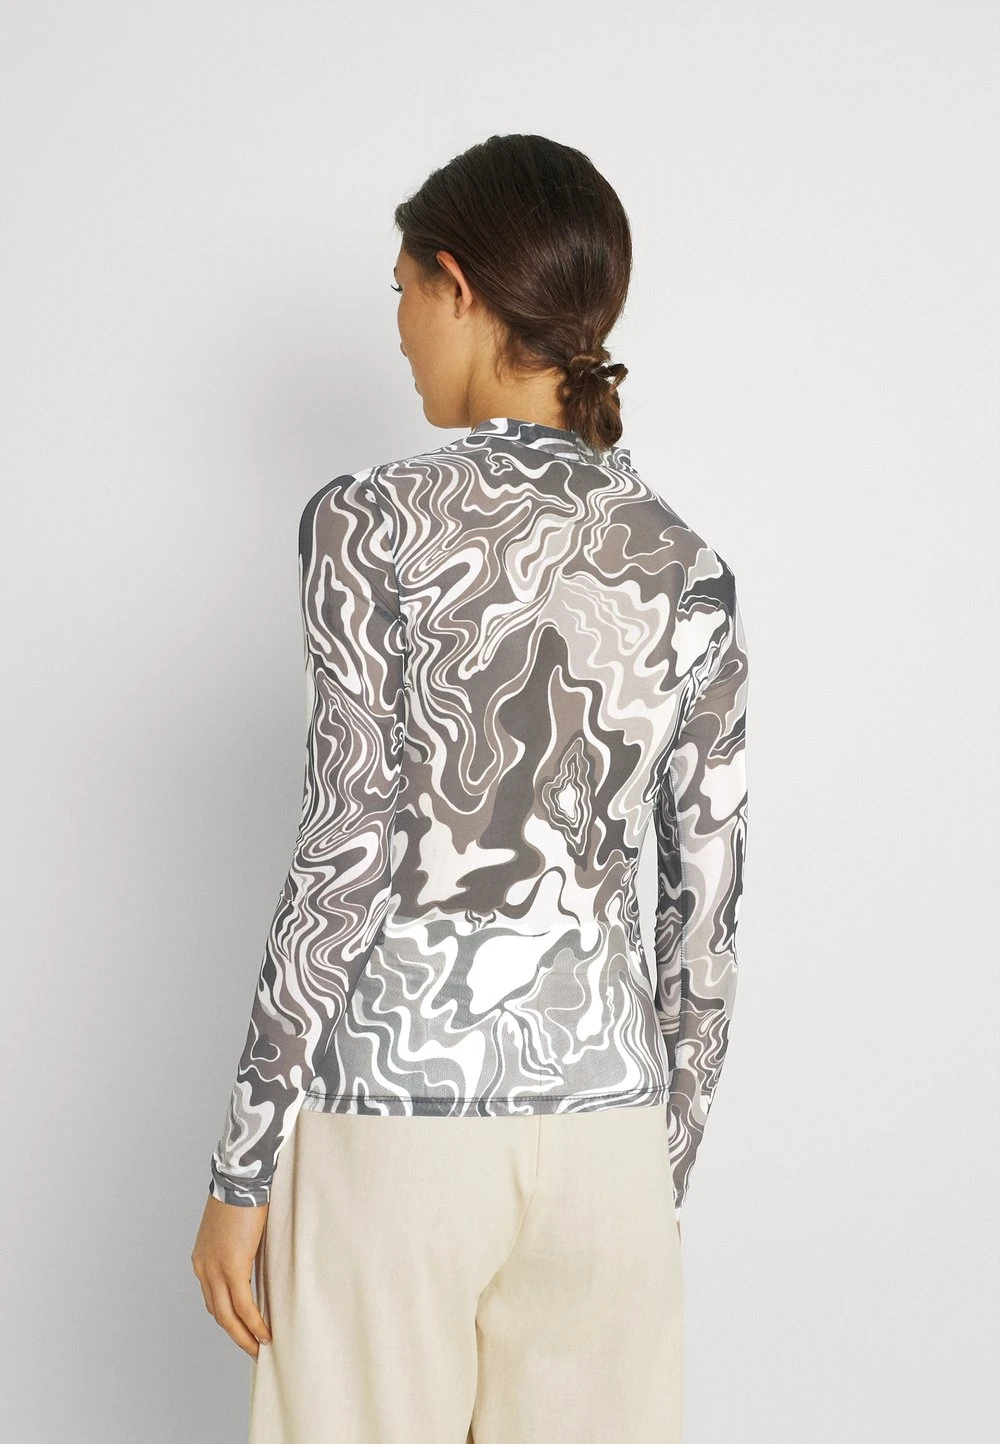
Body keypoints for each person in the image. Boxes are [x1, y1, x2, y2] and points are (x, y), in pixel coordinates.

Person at [191, 132, 749, 1444]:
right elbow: (708, 912)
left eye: (401, 291)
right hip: (609, 1138)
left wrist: (243, 1166)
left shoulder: (368, 524)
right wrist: (653, 1161)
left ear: (457, 285)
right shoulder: (689, 566)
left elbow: (344, 847)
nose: (396, 331)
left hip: (399, 1127)